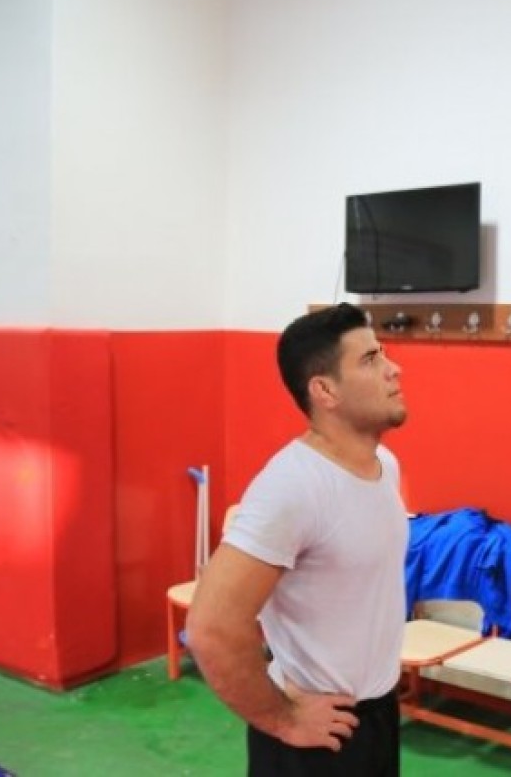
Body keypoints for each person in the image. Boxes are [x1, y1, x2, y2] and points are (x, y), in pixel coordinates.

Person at [187, 302, 409, 776]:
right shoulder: (292, 486)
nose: (394, 369)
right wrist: (282, 719)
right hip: (315, 735)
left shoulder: (385, 468)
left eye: (383, 353)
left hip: (377, 717)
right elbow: (210, 627)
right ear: (325, 390)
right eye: (370, 359)